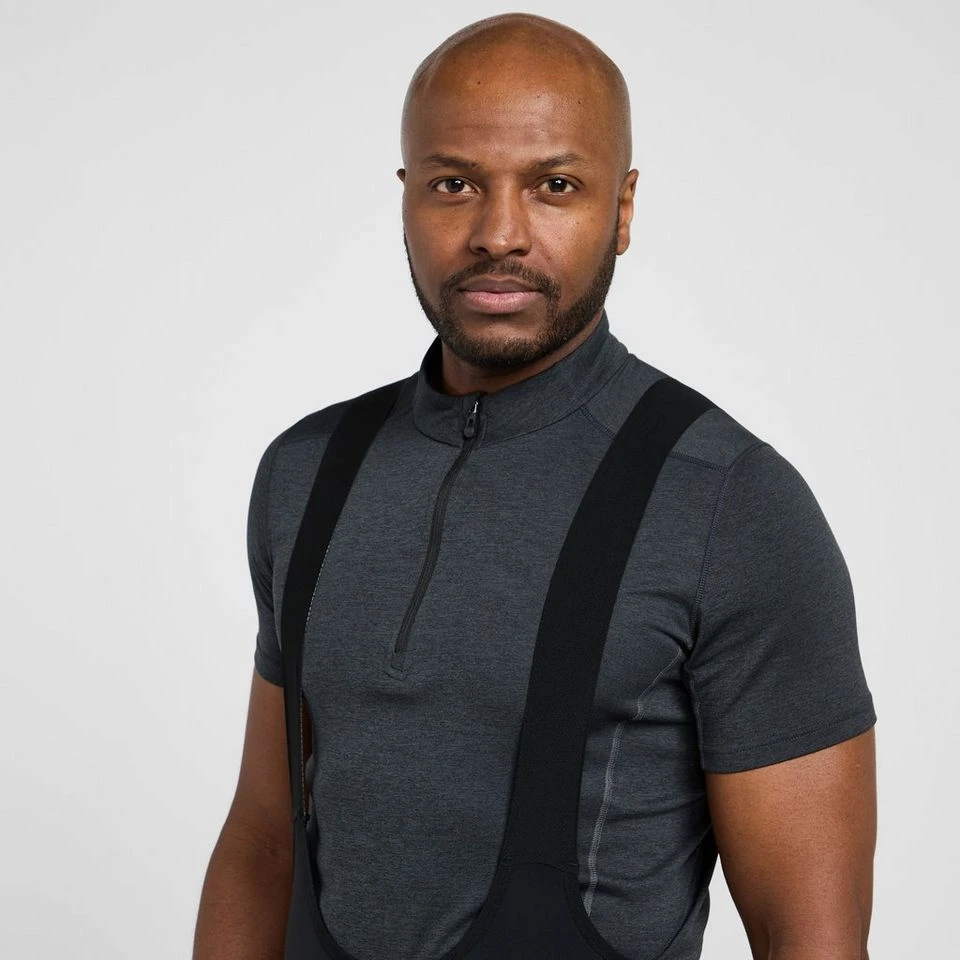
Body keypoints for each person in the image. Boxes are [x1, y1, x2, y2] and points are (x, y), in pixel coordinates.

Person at [193, 13, 876, 960]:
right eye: (454, 184)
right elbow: (264, 842)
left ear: (622, 209)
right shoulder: (305, 470)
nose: (498, 234)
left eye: (555, 185)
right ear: (406, 198)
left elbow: (812, 941)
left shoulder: (733, 504)